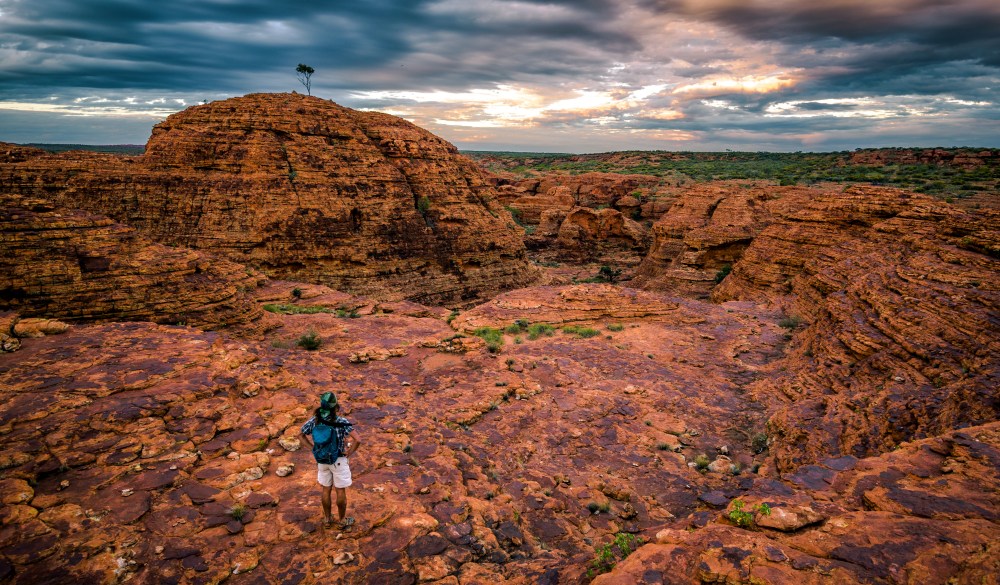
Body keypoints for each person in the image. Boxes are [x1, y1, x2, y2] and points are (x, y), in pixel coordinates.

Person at [301, 391, 361, 529]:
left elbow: (300, 435)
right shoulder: (341, 421)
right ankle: (342, 520)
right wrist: (348, 453)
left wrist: (313, 448)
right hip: (338, 459)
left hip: (322, 460)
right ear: (335, 406)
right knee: (340, 491)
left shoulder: (314, 420)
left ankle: (327, 519)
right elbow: (358, 440)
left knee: (325, 490)